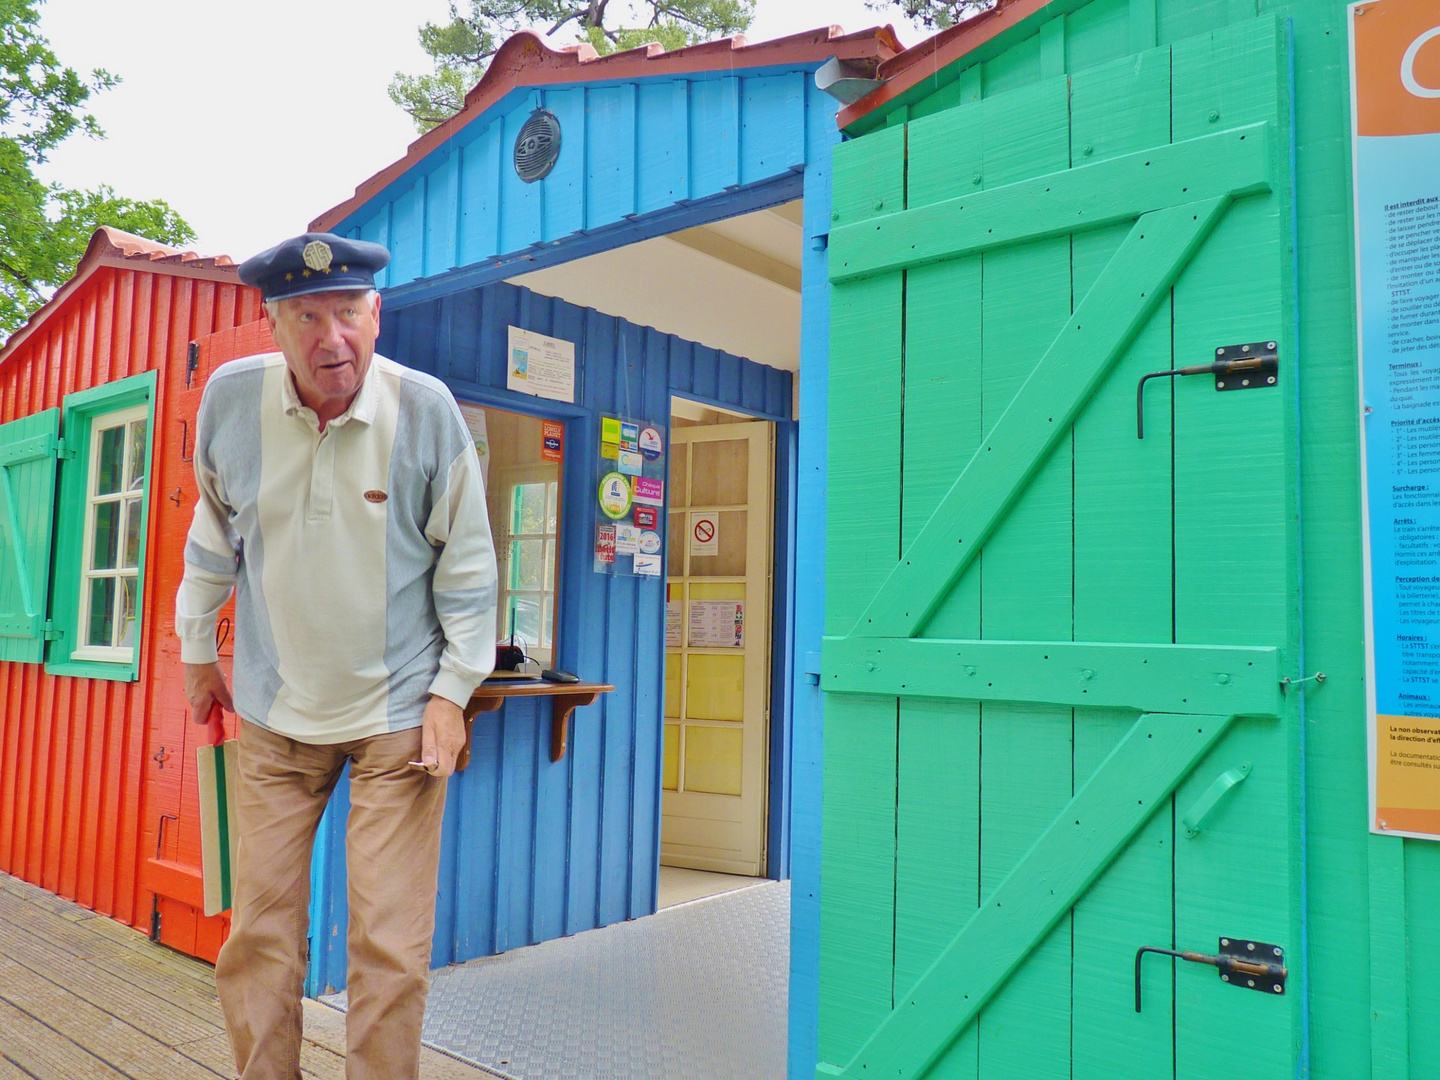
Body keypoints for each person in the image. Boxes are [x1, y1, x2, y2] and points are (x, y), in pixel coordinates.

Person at [176, 231, 497, 1079]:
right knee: (259, 934)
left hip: (398, 719)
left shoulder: (426, 411)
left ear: (376, 314)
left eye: (349, 312)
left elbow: (468, 567)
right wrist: (196, 649)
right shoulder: (230, 401)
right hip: (277, 714)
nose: (333, 338)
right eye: (308, 315)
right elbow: (213, 537)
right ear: (272, 324)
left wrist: (452, 692)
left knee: (388, 944)